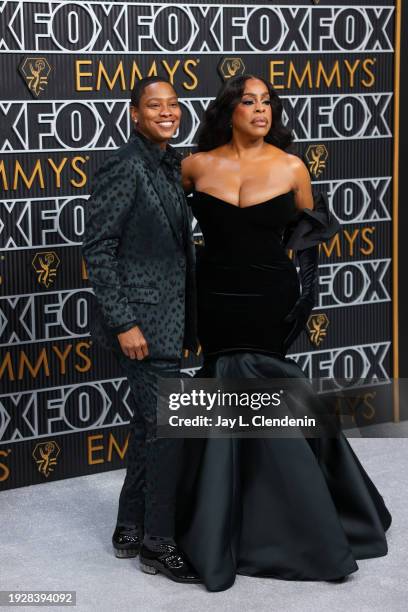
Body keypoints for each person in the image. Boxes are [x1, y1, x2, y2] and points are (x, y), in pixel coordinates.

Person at [177, 75, 392, 591]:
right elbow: (166, 230)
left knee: (272, 392)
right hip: (215, 299)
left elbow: (309, 241)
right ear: (228, 110)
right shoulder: (194, 166)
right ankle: (214, 515)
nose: (260, 109)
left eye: (267, 102)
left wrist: (302, 300)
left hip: (268, 298)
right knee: (218, 389)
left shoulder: (292, 166)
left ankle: (291, 520)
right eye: (248, 101)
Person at [82, 77, 200, 583]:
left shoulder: (172, 165)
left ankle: (129, 524)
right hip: (139, 326)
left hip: (169, 322)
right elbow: (98, 250)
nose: (167, 112)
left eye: (174, 104)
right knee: (167, 429)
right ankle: (158, 542)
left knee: (148, 426)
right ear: (134, 114)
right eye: (155, 105)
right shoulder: (124, 166)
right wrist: (125, 322)